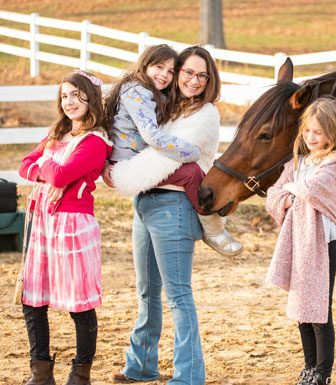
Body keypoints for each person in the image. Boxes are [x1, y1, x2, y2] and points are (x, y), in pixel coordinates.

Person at [109, 45, 224, 385]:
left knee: (178, 295)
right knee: (146, 291)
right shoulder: (169, 109)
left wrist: (120, 172)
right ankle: (141, 364)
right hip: (145, 203)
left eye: (202, 75)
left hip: (173, 208)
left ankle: (188, 376)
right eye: (187, 72)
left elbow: (163, 162)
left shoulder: (206, 115)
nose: (194, 80)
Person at [18, 70, 113, 385]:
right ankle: (41, 372)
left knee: (78, 303)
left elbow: (58, 176)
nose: (69, 101)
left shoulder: (96, 141)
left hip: (72, 223)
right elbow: (24, 165)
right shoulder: (57, 132)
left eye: (76, 94)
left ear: (90, 96)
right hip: (42, 222)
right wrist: (50, 169)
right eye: (64, 95)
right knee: (33, 299)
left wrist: (46, 166)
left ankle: (80, 373)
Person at [103, 44, 242, 256]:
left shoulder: (185, 106)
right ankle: (214, 230)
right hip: (130, 166)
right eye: (159, 67)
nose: (164, 75)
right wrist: (189, 153)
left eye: (169, 71)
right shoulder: (138, 92)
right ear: (145, 65)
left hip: (158, 189)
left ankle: (214, 227)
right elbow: (151, 135)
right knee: (191, 171)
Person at [265, 96, 336, 385]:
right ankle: (308, 368)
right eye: (308, 131)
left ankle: (323, 372)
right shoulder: (299, 162)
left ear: (334, 132)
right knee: (301, 308)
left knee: (318, 309)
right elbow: (274, 194)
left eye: (319, 132)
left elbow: (314, 189)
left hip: (321, 245)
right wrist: (289, 194)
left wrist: (292, 191)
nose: (312, 137)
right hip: (297, 243)